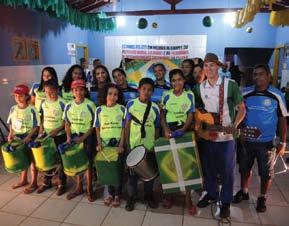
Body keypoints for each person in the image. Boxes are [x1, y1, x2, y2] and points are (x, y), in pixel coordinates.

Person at [193, 53, 246, 218]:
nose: (209, 69)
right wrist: (200, 127)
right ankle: (211, 194)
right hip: (207, 136)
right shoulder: (199, 88)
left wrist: (234, 125)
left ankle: (225, 201)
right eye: (206, 65)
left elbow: (242, 108)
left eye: (212, 65)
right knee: (208, 168)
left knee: (227, 172)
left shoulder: (230, 85)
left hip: (226, 138)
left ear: (218, 67)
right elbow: (197, 112)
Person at [233, 64, 288, 212]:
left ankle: (262, 197)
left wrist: (282, 142)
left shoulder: (277, 95)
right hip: (247, 141)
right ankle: (243, 192)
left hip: (267, 143)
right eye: (255, 74)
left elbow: (283, 119)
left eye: (261, 74)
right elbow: (238, 115)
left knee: (266, 174)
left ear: (269, 76)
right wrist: (239, 133)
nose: (257, 77)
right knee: (244, 169)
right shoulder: (245, 93)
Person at [160, 68, 196, 215]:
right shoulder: (166, 96)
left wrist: (183, 130)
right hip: (169, 132)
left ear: (184, 80)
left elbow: (190, 115)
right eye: (173, 80)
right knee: (170, 166)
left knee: (187, 166)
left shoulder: (189, 95)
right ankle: (169, 196)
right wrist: (166, 130)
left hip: (184, 132)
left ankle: (188, 200)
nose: (176, 83)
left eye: (179, 79)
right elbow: (162, 115)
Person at [124, 78, 160, 211]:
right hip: (134, 145)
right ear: (139, 89)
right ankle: (132, 197)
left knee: (148, 174)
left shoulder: (155, 108)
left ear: (153, 92)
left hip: (149, 147)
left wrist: (155, 144)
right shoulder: (131, 104)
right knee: (132, 175)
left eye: (150, 90)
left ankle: (148, 196)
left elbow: (157, 128)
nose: (146, 92)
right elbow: (127, 125)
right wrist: (127, 144)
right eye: (144, 89)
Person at [63, 79, 96, 202]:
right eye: (76, 90)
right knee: (77, 162)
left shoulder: (90, 104)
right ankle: (78, 188)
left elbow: (94, 125)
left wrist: (83, 137)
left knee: (87, 163)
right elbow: (67, 123)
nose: (79, 92)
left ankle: (89, 189)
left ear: (85, 91)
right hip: (73, 137)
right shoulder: (68, 105)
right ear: (72, 92)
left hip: (87, 137)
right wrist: (68, 137)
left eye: (81, 89)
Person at [95, 83, 125, 207]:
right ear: (105, 94)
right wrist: (99, 143)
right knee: (107, 169)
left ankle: (117, 195)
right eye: (110, 94)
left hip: (117, 144)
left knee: (117, 170)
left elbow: (124, 129)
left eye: (115, 95)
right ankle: (108, 194)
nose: (113, 97)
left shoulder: (122, 109)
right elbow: (97, 128)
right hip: (105, 145)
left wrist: (121, 145)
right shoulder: (100, 109)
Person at [7, 84, 40, 193]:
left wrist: (29, 137)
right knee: (22, 158)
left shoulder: (32, 109)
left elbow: (36, 125)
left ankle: (34, 182)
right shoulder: (13, 109)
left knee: (31, 160)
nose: (17, 98)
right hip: (18, 137)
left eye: (20, 96)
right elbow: (11, 122)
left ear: (26, 96)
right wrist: (10, 134)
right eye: (15, 96)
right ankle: (23, 180)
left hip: (30, 136)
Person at [37, 80, 67, 195]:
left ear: (57, 90)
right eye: (47, 92)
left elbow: (67, 122)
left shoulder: (62, 103)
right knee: (47, 158)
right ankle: (46, 182)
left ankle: (62, 183)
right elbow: (42, 119)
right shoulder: (43, 103)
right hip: (47, 137)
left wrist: (58, 130)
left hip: (60, 135)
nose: (49, 94)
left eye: (52, 91)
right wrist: (41, 131)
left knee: (61, 160)